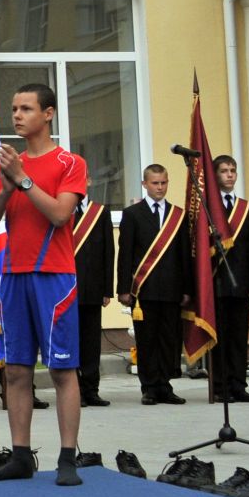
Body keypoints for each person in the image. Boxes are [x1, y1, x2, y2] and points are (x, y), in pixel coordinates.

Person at [0, 84, 86, 486]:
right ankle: (21, 455)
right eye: (13, 108)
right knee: (17, 371)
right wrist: (7, 188)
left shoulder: (69, 162)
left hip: (54, 277)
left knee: (61, 369)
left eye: (26, 108)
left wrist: (23, 182)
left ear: (49, 114)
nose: (17, 115)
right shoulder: (13, 165)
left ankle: (67, 457)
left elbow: (60, 214)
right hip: (15, 276)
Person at [116, 164, 187, 405]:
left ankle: (165, 385)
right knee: (147, 339)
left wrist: (187, 289)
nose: (160, 187)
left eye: (164, 182)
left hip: (171, 288)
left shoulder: (178, 215)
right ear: (145, 184)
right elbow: (125, 253)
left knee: (169, 339)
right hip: (143, 289)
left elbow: (184, 255)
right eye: (155, 183)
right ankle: (149, 387)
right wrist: (124, 288)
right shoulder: (133, 214)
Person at [208, 155, 249, 404]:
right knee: (219, 338)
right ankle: (220, 386)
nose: (229, 175)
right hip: (215, 283)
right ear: (215, 175)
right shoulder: (207, 208)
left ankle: (238, 385)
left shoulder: (248, 209)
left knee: (238, 338)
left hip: (240, 283)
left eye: (233, 171)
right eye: (224, 171)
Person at [71, 191, 115, 407]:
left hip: (93, 288)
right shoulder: (62, 209)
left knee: (91, 342)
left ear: (87, 182)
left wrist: (107, 289)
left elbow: (109, 250)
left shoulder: (101, 212)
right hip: (68, 289)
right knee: (72, 341)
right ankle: (74, 390)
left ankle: (91, 389)